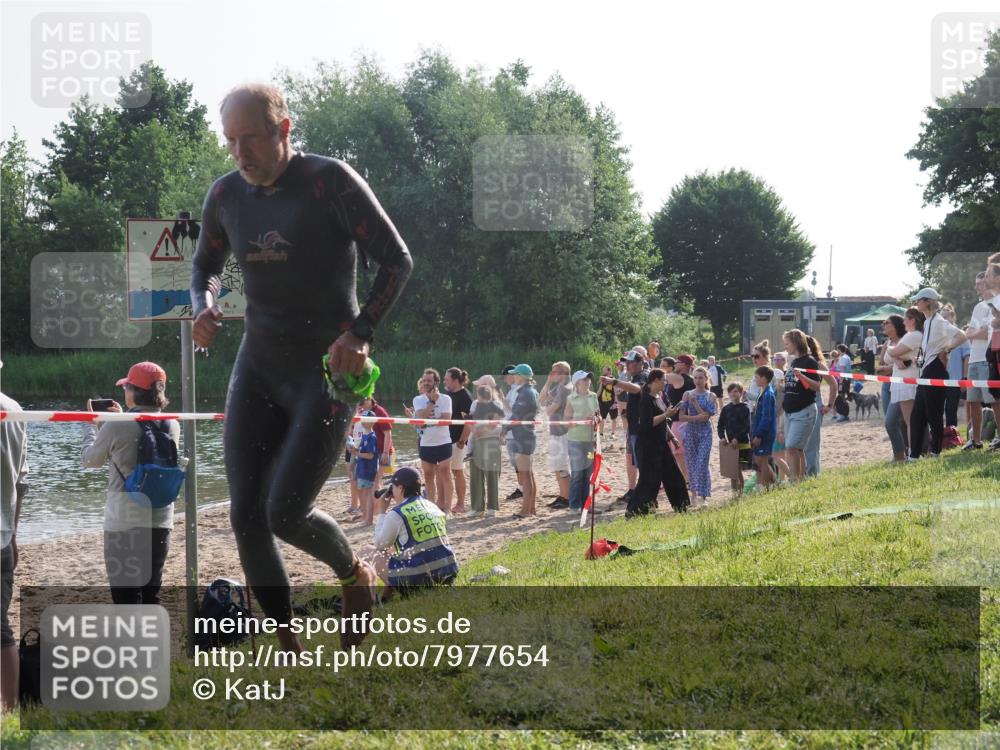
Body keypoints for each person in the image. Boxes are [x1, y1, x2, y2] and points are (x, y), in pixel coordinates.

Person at [190, 83, 412, 651]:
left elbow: (397, 259)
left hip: (326, 371)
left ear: (283, 130)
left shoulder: (327, 181)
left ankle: (354, 576)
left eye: (252, 138)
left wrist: (361, 332)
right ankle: (287, 643)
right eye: (230, 141)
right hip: (258, 366)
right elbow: (205, 267)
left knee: (285, 511)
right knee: (246, 516)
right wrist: (205, 304)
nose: (241, 153)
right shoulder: (226, 196)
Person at [81, 362, 179, 605]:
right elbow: (137, 438)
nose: (124, 391)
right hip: (160, 521)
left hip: (123, 523)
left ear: (135, 391)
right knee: (150, 593)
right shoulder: (172, 423)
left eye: (126, 386)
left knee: (126, 597)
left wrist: (91, 427)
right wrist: (115, 421)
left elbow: (90, 460)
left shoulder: (116, 424)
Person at [369, 468, 458, 598]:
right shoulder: (432, 506)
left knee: (368, 552)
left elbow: (380, 545)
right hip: (447, 574)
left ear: (400, 488)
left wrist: (382, 512)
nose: (392, 491)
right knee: (398, 548)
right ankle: (387, 596)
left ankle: (366, 599)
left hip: (417, 582)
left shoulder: (396, 514)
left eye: (392, 487)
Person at [908, 289, 967, 459]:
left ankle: (935, 452)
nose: (916, 303)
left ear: (927, 301)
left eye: (919, 300)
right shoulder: (927, 322)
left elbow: (961, 335)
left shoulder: (939, 321)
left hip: (935, 369)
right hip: (927, 368)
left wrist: (948, 348)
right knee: (917, 413)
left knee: (933, 413)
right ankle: (914, 455)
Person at [1, 381, 28, 712]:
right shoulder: (16, 408)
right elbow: (21, 482)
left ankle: (9, 710)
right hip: (4, 532)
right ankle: (9, 709)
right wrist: (16, 533)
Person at [629, 368, 689, 516]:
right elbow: (647, 423)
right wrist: (666, 414)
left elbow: (662, 422)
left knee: (673, 475)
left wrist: (672, 436)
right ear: (655, 380)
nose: (665, 383)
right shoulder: (645, 399)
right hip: (648, 446)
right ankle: (635, 511)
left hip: (661, 444)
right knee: (649, 480)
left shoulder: (658, 397)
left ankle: (681, 507)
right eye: (663, 380)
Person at [601, 351, 648, 505]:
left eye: (631, 362)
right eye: (626, 362)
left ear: (641, 363)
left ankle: (644, 496)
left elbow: (637, 389)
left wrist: (614, 382)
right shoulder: (634, 377)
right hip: (634, 427)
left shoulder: (642, 376)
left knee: (642, 463)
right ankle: (636, 492)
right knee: (634, 460)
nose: (627, 365)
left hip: (640, 429)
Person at [781, 330, 826, 481]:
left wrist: (803, 377)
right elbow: (793, 386)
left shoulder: (810, 362)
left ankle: (795, 481)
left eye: (787, 343)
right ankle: (800, 480)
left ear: (795, 343)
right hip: (790, 412)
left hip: (804, 411)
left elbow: (816, 386)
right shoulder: (794, 362)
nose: (785, 346)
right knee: (797, 449)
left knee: (792, 447)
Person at [408, 369, 454, 514]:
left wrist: (427, 419)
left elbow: (446, 420)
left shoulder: (446, 399)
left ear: (436, 382)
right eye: (424, 380)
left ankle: (448, 509)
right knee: (428, 476)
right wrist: (432, 402)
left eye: (429, 380)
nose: (426, 383)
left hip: (443, 441)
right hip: (426, 442)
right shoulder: (418, 399)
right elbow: (420, 422)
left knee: (446, 473)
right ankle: (431, 509)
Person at [465, 376, 504, 518]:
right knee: (476, 474)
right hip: (477, 440)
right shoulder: (475, 403)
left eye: (479, 386)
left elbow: (495, 421)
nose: (476, 389)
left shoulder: (497, 403)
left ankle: (492, 507)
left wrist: (481, 431)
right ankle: (477, 507)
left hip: (491, 440)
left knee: (491, 474)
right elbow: (470, 419)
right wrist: (473, 431)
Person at [964, 272, 995, 450]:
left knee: (993, 400)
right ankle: (975, 440)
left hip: (986, 359)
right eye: (976, 284)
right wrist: (978, 331)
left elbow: (986, 334)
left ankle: (997, 438)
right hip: (974, 359)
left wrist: (976, 332)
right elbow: (968, 333)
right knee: (973, 401)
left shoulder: (996, 303)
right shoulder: (978, 306)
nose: (977, 287)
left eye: (980, 283)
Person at [678, 367, 717, 504]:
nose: (698, 380)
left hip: (705, 432)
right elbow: (681, 416)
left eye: (701, 377)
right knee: (691, 463)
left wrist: (695, 404)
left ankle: (703, 496)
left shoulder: (711, 396)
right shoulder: (687, 394)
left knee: (702, 463)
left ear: (706, 379)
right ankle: (694, 495)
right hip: (691, 432)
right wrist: (695, 418)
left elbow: (706, 417)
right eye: (695, 377)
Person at [803, 337, 839, 477]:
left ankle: (812, 474)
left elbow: (833, 384)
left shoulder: (817, 364)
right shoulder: (797, 363)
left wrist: (829, 405)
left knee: (811, 444)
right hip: (800, 406)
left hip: (815, 405)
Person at [507, 365, 539, 518]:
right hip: (527, 435)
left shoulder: (525, 392)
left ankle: (526, 510)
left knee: (525, 475)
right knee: (529, 474)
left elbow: (516, 416)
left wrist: (503, 429)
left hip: (522, 436)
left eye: (515, 375)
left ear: (522, 376)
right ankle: (530, 509)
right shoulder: (530, 391)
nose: (514, 377)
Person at [564, 371, 598, 512]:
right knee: (578, 473)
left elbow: (599, 416)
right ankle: (574, 506)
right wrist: (581, 419)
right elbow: (566, 422)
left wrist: (596, 419)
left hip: (590, 440)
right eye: (584, 379)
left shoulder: (593, 396)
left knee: (589, 474)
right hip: (576, 441)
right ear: (577, 382)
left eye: (589, 379)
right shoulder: (571, 398)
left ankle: (587, 505)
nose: (588, 381)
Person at [539, 361, 572, 509]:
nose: (552, 374)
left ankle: (567, 497)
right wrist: (547, 382)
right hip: (556, 430)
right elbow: (542, 399)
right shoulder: (559, 387)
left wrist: (547, 406)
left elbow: (549, 410)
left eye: (555, 372)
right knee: (558, 465)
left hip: (562, 432)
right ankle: (563, 495)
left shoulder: (565, 389)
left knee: (562, 466)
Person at [879, 315, 911, 461]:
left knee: (893, 421)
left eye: (887, 323)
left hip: (901, 384)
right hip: (886, 385)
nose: (884, 325)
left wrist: (890, 367)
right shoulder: (887, 343)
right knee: (892, 422)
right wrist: (890, 367)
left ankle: (904, 453)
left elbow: (908, 363)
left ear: (896, 325)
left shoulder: (906, 341)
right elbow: (878, 367)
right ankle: (899, 453)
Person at [443, 368, 472, 514]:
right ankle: (449, 501)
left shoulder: (465, 396)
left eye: (447, 379)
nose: (444, 382)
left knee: (458, 471)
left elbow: (469, 422)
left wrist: (462, 441)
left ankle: (461, 504)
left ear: (455, 381)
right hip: (446, 439)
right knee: (448, 471)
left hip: (458, 440)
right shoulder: (448, 395)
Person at [940, 305, 970, 433]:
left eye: (946, 317)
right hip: (940, 378)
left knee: (951, 408)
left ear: (953, 316)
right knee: (939, 408)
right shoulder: (940, 336)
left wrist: (964, 378)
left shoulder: (960, 335)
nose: (944, 320)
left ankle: (952, 434)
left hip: (955, 379)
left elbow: (966, 358)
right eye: (942, 318)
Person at [718, 382, 751, 495]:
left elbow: (747, 427)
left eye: (736, 391)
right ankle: (734, 494)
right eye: (731, 391)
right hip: (730, 445)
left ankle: (740, 493)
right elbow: (720, 425)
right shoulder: (726, 409)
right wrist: (722, 437)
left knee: (737, 469)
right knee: (732, 471)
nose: (733, 393)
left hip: (742, 444)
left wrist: (737, 438)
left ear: (741, 393)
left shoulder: (745, 408)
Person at [349, 413, 379, 527]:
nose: (363, 422)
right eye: (363, 420)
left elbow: (370, 455)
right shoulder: (365, 436)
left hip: (368, 469)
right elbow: (360, 450)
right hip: (362, 468)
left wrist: (356, 453)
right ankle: (365, 517)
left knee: (368, 494)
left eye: (366, 420)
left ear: (372, 422)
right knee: (363, 493)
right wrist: (354, 450)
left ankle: (369, 519)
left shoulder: (372, 437)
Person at [500, 365, 525, 501]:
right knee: (516, 464)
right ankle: (521, 487)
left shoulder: (518, 390)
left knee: (520, 464)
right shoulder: (512, 390)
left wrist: (502, 399)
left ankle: (523, 488)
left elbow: (513, 411)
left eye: (505, 376)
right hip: (511, 431)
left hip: (515, 432)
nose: (504, 380)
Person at [750, 366, 777, 490]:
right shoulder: (763, 392)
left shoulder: (768, 394)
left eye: (756, 377)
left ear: (764, 378)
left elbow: (767, 417)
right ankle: (772, 484)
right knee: (760, 460)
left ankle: (762, 486)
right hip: (761, 431)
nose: (755, 380)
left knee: (763, 460)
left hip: (765, 433)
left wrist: (759, 435)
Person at [746, 341, 771, 414]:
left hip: (761, 413)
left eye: (756, 356)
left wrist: (746, 394)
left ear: (765, 357)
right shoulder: (757, 372)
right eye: (752, 356)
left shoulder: (769, 373)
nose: (753, 359)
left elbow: (766, 397)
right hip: (753, 411)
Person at [597, 365, 620, 440]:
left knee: (613, 418)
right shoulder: (602, 380)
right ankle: (601, 433)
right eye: (603, 370)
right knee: (602, 418)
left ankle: (613, 433)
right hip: (603, 402)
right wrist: (595, 398)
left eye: (604, 370)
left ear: (609, 371)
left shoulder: (613, 380)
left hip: (611, 402)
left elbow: (615, 391)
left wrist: (615, 402)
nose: (603, 371)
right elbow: (600, 390)